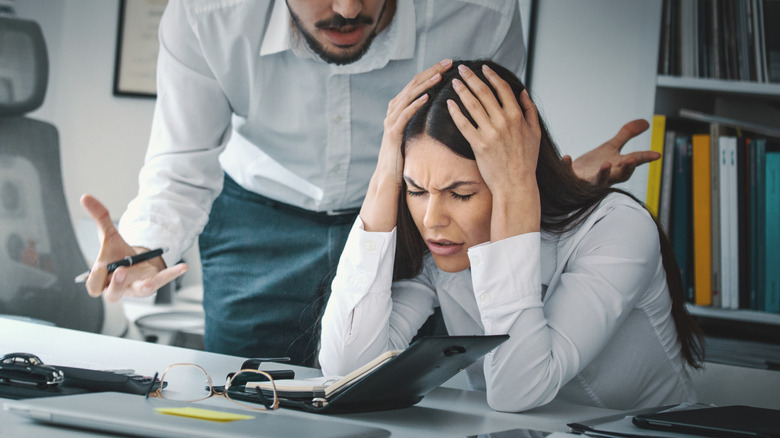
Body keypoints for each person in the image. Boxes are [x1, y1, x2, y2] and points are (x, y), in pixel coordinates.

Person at [81, 0, 659, 366]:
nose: (348, 8)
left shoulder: (479, 12)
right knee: (251, 399)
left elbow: (492, 147)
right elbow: (181, 165)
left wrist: (559, 185)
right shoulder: (205, 15)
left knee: (424, 395)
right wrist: (145, 246)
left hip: (415, 224)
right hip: (260, 217)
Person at [318, 60, 704, 412]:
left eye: (461, 194)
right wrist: (385, 175)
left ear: (516, 175)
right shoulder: (439, 244)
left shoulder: (617, 228)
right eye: (416, 190)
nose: (432, 219)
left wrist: (518, 193)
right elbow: (349, 372)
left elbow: (519, 391)